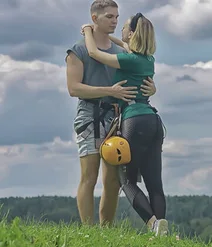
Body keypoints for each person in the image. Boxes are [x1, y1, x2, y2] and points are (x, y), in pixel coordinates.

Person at [65, 0, 157, 227]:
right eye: (109, 17)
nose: (115, 21)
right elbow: (73, 88)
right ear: (95, 19)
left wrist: (153, 88)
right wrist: (109, 90)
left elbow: (141, 75)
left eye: (117, 17)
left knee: (114, 180)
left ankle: (106, 231)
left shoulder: (121, 51)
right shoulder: (77, 51)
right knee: (90, 176)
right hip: (90, 115)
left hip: (118, 117)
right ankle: (88, 231)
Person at [81, 10, 168, 236]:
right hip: (154, 120)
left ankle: (151, 223)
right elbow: (123, 43)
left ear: (132, 33)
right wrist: (108, 36)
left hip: (135, 120)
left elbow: (93, 52)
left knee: (125, 180)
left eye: (124, 27)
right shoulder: (147, 59)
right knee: (154, 184)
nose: (120, 28)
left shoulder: (128, 60)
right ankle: (162, 226)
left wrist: (88, 31)